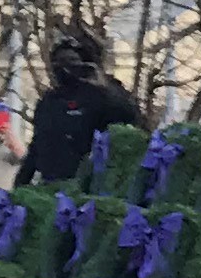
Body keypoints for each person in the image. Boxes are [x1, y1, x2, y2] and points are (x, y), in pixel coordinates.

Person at [20, 33, 141, 187]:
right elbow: (36, 147)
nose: (64, 67)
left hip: (88, 186)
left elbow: (130, 118)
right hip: (51, 184)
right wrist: (20, 185)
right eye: (59, 61)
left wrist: (103, 86)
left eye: (71, 61)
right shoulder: (49, 101)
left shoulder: (101, 97)